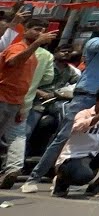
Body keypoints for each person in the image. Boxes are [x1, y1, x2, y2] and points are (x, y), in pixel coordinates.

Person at [25, 13, 99, 193]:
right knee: (64, 136)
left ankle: (81, 176)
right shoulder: (95, 43)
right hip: (87, 95)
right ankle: (35, 176)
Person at [0, 18, 57, 181]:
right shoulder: (18, 47)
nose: (40, 33)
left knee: (14, 136)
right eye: (37, 29)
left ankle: (12, 169)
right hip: (2, 98)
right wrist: (37, 43)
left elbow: (27, 82)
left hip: (14, 103)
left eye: (43, 31)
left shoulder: (37, 56)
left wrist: (20, 107)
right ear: (26, 30)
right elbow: (13, 62)